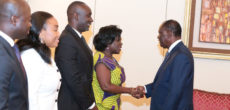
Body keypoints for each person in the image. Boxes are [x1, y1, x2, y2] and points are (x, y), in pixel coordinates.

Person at [138, 20, 194, 110]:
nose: (158, 37)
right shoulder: (174, 53)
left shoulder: (181, 55)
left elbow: (175, 91)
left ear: (169, 33)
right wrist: (145, 89)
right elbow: (163, 83)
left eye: (160, 33)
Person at [55, 1, 97, 110]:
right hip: (71, 103)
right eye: (88, 15)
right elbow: (72, 78)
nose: (91, 19)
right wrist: (90, 104)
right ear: (76, 16)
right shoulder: (67, 39)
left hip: (78, 102)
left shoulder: (76, 38)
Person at [16, 11, 61, 110]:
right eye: (55, 29)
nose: (58, 34)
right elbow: (30, 98)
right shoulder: (31, 56)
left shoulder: (43, 53)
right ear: (40, 32)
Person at [92, 25, 141, 110]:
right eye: (118, 40)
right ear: (108, 43)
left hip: (112, 105)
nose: (121, 43)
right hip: (102, 107)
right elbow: (106, 86)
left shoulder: (110, 58)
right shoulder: (101, 60)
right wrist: (130, 90)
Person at [0, 0, 31, 109]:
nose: (30, 25)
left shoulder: (10, 47)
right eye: (28, 20)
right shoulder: (1, 52)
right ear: (14, 20)